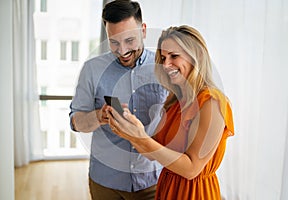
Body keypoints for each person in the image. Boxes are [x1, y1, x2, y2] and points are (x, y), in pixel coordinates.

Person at [107, 25, 235, 200]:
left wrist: (141, 137)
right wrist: (131, 131)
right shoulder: (174, 101)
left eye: (174, 56)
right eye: (163, 57)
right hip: (168, 189)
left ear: (196, 56)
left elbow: (191, 169)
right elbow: (152, 153)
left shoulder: (212, 103)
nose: (166, 65)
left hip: (195, 194)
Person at [69, 0, 168, 199]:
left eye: (129, 40)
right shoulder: (92, 69)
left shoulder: (164, 67)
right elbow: (75, 121)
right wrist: (99, 116)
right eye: (114, 42)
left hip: (153, 181)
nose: (122, 51)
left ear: (144, 31)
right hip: (106, 183)